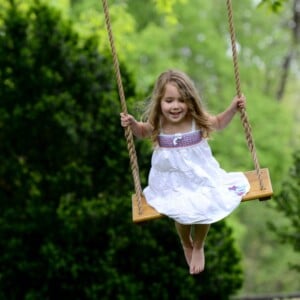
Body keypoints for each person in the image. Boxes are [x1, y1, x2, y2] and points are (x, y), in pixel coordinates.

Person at [120, 70, 250, 275]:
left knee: (206, 206)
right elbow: (143, 131)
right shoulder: (159, 122)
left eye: (181, 100)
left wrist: (233, 109)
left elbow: (218, 123)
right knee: (181, 214)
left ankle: (198, 245)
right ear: (160, 102)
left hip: (201, 177)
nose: (175, 106)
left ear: (189, 101)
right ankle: (185, 242)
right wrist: (133, 125)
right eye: (169, 100)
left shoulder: (195, 119)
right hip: (170, 181)